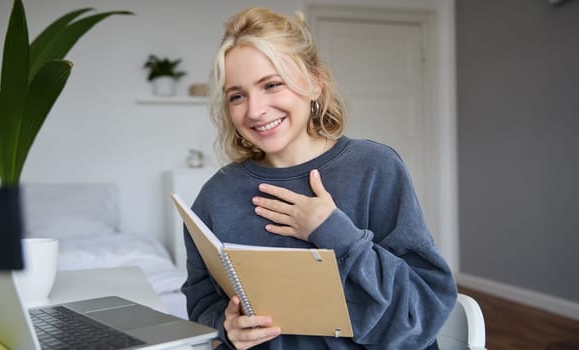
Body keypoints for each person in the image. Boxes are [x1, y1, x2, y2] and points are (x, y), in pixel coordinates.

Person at [181, 7, 457, 349]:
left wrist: (333, 230)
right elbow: (202, 302)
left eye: (272, 84)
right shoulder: (216, 195)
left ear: (314, 82)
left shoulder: (375, 168)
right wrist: (226, 326)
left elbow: (422, 310)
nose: (254, 110)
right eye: (237, 95)